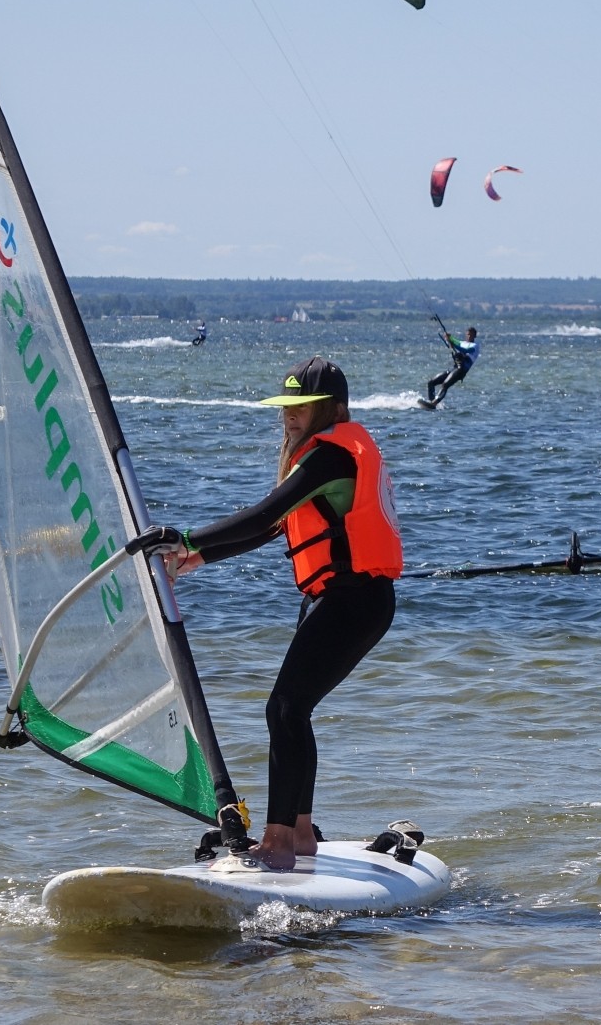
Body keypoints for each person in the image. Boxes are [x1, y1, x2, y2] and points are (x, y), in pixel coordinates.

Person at [165, 357, 403, 869]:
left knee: (284, 709)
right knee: (294, 711)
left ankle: (277, 843)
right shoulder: (320, 457)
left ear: (334, 409)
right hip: (334, 597)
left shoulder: (332, 457)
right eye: (286, 408)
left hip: (355, 599)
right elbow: (275, 528)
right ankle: (298, 832)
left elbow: (266, 513)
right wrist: (198, 557)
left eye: (302, 408)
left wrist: (183, 537)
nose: (291, 417)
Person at [424, 324, 478, 406]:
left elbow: (465, 349)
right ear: (466, 335)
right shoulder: (462, 343)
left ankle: (434, 403)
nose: (470, 336)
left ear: (475, 336)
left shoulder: (475, 346)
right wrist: (449, 338)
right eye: (468, 334)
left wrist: (453, 342)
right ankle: (430, 403)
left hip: (461, 370)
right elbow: (455, 341)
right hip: (455, 368)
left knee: (445, 385)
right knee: (431, 382)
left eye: (472, 334)